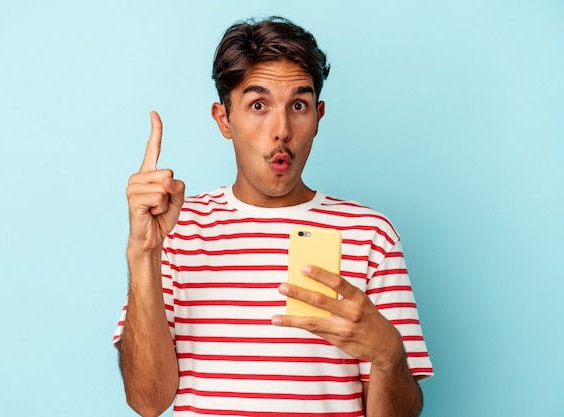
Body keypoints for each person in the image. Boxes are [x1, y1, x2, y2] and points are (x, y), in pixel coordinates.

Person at [114, 16, 433, 417]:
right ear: (224, 119)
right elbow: (147, 401)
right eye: (258, 105)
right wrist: (143, 252)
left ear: (318, 116)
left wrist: (388, 354)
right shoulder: (175, 230)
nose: (281, 129)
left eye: (298, 105)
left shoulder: (371, 235)